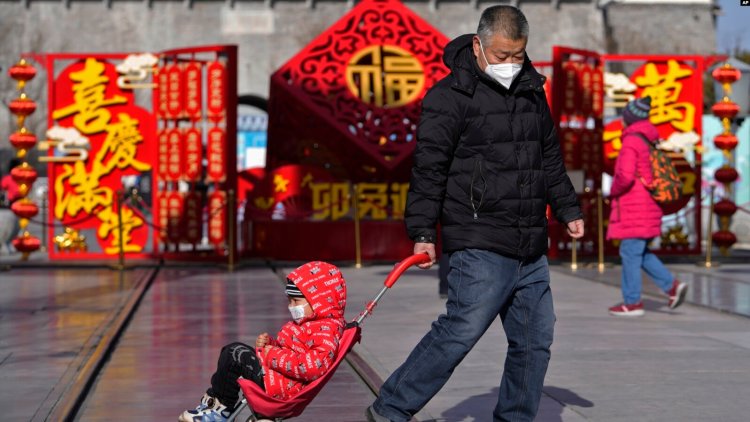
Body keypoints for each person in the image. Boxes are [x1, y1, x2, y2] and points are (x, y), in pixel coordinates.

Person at [366, 6, 584, 422]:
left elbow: (549, 155)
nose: (510, 64)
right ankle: (390, 408)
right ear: (477, 45)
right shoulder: (448, 98)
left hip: (530, 242)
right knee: (460, 330)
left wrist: (567, 206)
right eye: (502, 56)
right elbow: (429, 168)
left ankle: (515, 417)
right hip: (478, 238)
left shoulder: (531, 90)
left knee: (535, 340)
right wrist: (423, 232)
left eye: (518, 55)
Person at [179, 261, 347, 422]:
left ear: (320, 301)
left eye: (296, 301)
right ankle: (217, 406)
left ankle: (220, 409)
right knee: (232, 351)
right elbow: (293, 350)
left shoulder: (325, 330)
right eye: (289, 301)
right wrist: (271, 344)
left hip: (280, 386)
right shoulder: (309, 323)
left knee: (234, 353)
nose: (291, 306)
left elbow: (313, 367)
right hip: (277, 378)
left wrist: (272, 355)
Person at [606, 96, 688, 317]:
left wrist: (611, 192)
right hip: (647, 205)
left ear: (629, 119)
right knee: (638, 251)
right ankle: (672, 286)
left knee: (630, 252)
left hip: (634, 206)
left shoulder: (631, 141)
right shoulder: (647, 139)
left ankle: (632, 302)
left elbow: (625, 175)